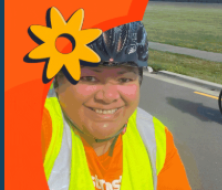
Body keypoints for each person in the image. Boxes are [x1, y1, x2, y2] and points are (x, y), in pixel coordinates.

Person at [42, 21, 191, 190]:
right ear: (58, 82)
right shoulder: (39, 124)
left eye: (124, 79)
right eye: (89, 78)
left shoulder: (155, 137)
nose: (109, 96)